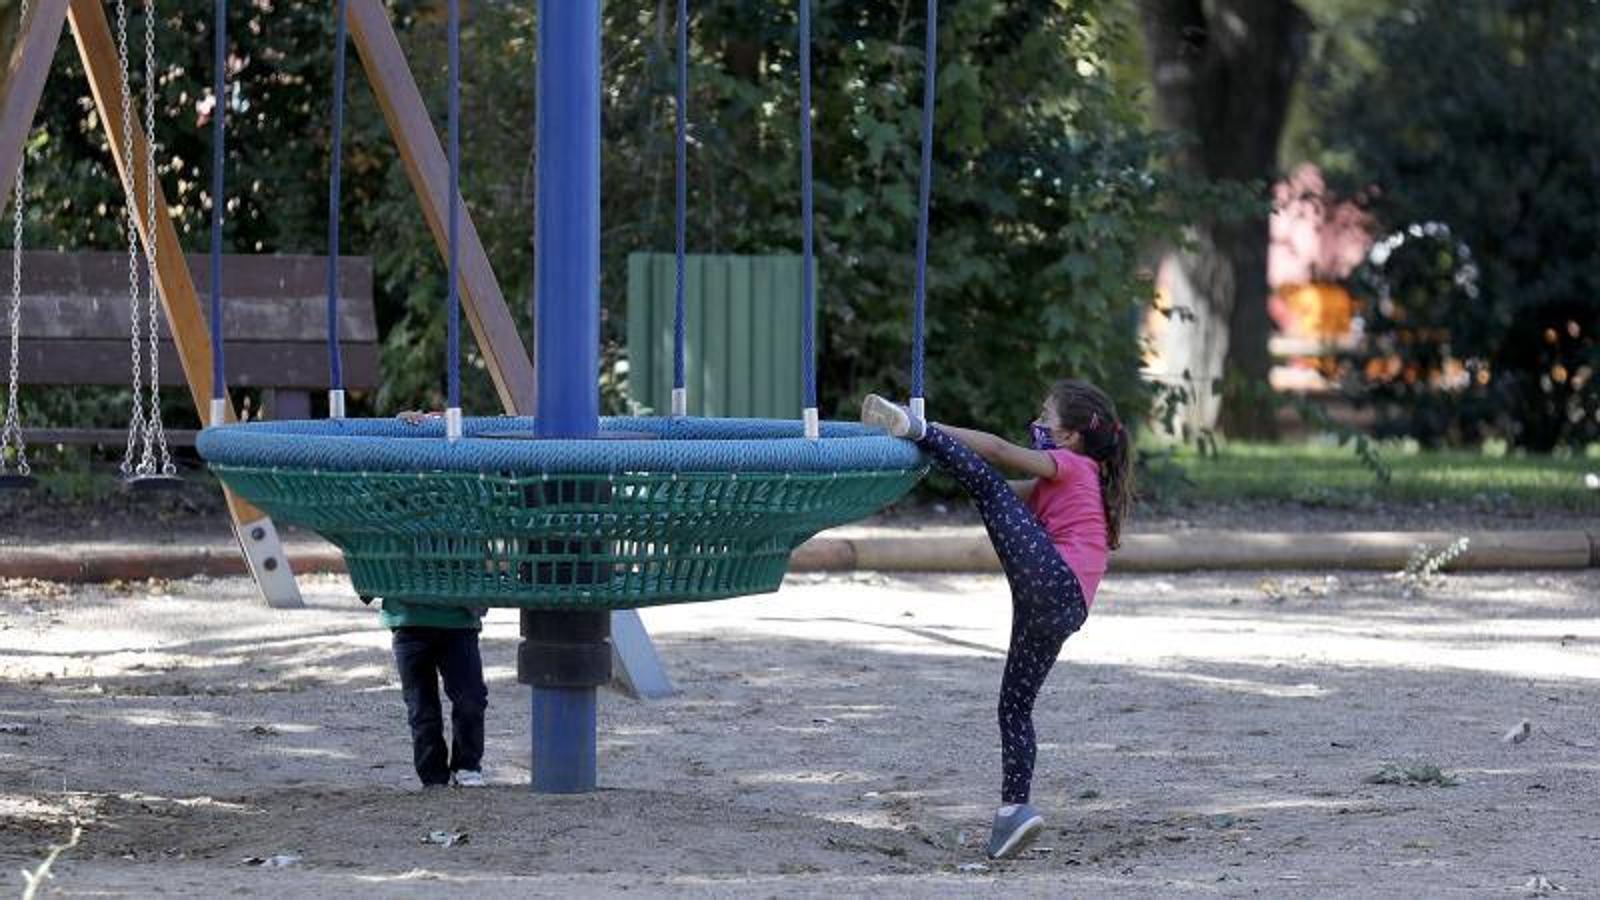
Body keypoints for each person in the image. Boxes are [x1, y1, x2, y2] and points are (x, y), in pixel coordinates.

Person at [860, 379, 1133, 859]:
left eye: (1046, 418)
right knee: (1014, 707)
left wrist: (927, 431)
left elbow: (996, 454)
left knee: (984, 486)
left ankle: (912, 425)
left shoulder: (1068, 465)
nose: (1038, 425)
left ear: (1069, 437)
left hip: (1054, 585)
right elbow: (997, 491)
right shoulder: (1068, 478)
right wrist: (915, 472)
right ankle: (1014, 813)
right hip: (1063, 607)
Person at [381, 596, 489, 789]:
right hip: (409, 621)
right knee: (421, 706)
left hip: (459, 621)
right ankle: (433, 775)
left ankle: (467, 765)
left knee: (471, 699)